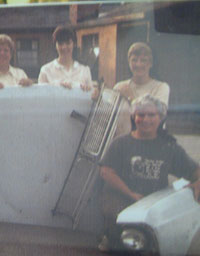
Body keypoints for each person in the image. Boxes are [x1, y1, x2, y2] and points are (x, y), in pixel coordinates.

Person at [98, 95, 200, 251]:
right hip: (121, 200)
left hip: (152, 204)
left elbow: (194, 171)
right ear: (134, 117)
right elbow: (106, 172)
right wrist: (131, 194)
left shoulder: (169, 147)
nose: (146, 119)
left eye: (151, 115)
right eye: (141, 115)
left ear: (160, 118)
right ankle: (109, 239)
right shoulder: (120, 143)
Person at [38, 25, 92, 92]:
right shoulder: (46, 70)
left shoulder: (84, 70)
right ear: (55, 46)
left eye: (68, 43)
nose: (64, 47)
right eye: (60, 44)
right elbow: (41, 97)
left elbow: (91, 97)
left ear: (74, 44)